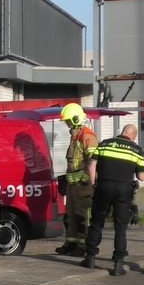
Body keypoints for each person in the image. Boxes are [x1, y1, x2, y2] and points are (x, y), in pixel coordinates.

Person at [81, 123, 144, 276]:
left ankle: (90, 257)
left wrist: (94, 184)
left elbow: (91, 166)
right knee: (120, 227)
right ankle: (118, 264)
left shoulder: (104, 144)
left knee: (97, 222)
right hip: (124, 191)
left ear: (122, 132)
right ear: (133, 136)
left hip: (103, 187)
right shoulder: (136, 150)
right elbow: (142, 177)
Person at [55, 104, 99, 257]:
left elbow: (93, 161)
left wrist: (86, 179)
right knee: (70, 215)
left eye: (68, 120)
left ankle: (83, 245)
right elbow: (73, 162)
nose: (66, 123)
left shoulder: (87, 136)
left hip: (83, 185)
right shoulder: (74, 137)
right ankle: (71, 242)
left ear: (75, 119)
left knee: (82, 216)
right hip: (73, 184)